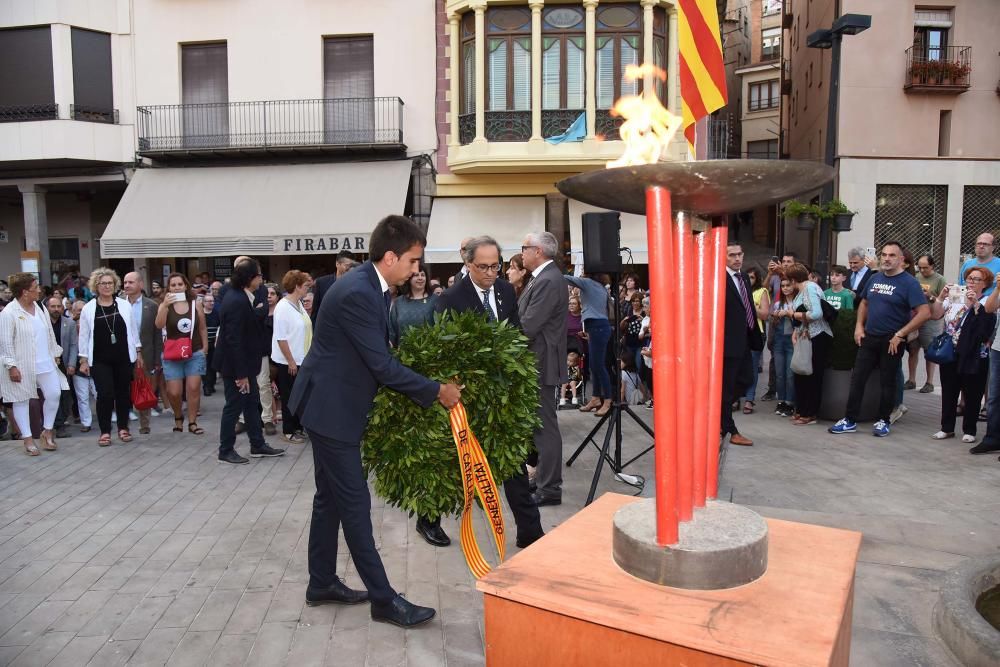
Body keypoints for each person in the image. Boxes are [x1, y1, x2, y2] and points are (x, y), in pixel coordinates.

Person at [288, 215, 461, 628]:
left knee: (328, 499)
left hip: (329, 403)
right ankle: (383, 600)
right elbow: (381, 365)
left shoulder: (371, 285)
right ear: (390, 257)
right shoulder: (359, 292)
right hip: (332, 412)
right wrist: (436, 390)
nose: (417, 269)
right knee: (354, 505)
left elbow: (373, 353)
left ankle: (321, 582)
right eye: (414, 261)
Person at [433, 235, 545, 549]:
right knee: (457, 463)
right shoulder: (450, 299)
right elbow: (444, 350)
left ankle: (529, 530)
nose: (491, 272)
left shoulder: (506, 290)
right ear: (468, 264)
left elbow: (517, 334)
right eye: (483, 266)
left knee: (513, 461)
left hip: (505, 394)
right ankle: (428, 519)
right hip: (469, 397)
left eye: (496, 265)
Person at [829, 241, 930, 438]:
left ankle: (883, 420)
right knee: (858, 379)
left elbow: (924, 313)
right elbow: (864, 302)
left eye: (892, 255)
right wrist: (859, 326)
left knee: (887, 382)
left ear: (902, 259)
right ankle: (849, 420)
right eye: (884, 254)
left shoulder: (909, 283)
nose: (886, 258)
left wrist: (901, 334)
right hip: (869, 337)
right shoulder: (875, 278)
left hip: (892, 340)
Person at [213, 258, 285, 464]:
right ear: (249, 278)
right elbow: (233, 340)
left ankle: (257, 444)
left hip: (245, 364)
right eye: (259, 275)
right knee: (233, 407)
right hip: (235, 367)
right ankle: (225, 449)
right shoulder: (236, 300)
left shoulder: (242, 296)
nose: (262, 279)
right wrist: (241, 374)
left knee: (252, 404)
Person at [519, 231, 569, 505]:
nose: (522, 252)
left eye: (525, 248)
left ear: (537, 251)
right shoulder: (545, 278)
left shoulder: (548, 280)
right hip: (537, 361)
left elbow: (528, 325)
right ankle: (543, 481)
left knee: (544, 428)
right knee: (540, 426)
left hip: (540, 363)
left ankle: (550, 488)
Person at [0, 274, 66, 455]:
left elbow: (49, 333)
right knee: (21, 401)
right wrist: (11, 366)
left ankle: (47, 431)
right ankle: (28, 439)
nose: (39, 290)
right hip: (21, 364)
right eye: (35, 287)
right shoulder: (9, 313)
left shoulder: (39, 307)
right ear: (24, 292)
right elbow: (5, 343)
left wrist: (54, 352)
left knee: (54, 393)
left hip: (45, 361)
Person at [928, 269, 996, 443]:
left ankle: (970, 429)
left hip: (974, 353)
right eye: (969, 278)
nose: (971, 282)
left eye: (977, 279)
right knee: (949, 390)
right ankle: (946, 428)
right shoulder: (955, 298)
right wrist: (942, 297)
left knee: (973, 392)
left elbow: (985, 327)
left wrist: (974, 305)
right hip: (952, 351)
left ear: (985, 283)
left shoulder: (988, 301)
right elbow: (935, 314)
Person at [77, 268, 141, 446]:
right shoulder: (89, 309)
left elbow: (133, 331)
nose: (106, 286)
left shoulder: (124, 305)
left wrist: (138, 351)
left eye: (110, 283)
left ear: (115, 285)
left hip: (123, 357)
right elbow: (83, 336)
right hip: (99, 359)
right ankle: (105, 431)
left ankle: (123, 427)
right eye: (103, 283)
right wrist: (83, 360)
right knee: (104, 394)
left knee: (123, 393)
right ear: (96, 286)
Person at [721, 242, 763, 446]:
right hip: (726, 342)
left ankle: (719, 415)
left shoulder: (744, 277)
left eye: (739, 254)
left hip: (745, 338)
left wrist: (754, 332)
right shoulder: (718, 278)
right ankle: (728, 428)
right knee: (727, 388)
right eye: (732, 255)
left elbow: (748, 308)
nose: (737, 259)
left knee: (746, 380)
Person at [156, 273, 208, 435]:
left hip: (194, 351)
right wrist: (164, 305)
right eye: (173, 285)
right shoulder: (165, 305)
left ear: (185, 286)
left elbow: (202, 328)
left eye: (180, 284)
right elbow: (159, 324)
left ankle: (192, 422)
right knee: (174, 392)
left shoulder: (195, 304)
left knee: (193, 388)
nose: (177, 287)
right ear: (169, 288)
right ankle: (178, 416)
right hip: (173, 354)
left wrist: (205, 348)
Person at [785, 263, 833, 426]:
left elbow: (816, 313)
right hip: (806, 336)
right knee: (801, 372)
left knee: (812, 375)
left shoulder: (810, 288)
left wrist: (794, 314)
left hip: (817, 336)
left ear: (792, 280)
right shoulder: (804, 289)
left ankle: (810, 413)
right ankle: (802, 410)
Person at [271, 270, 312, 445]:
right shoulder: (283, 307)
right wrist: (290, 361)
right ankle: (288, 431)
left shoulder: (298, 304)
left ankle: (297, 427)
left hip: (302, 358)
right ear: (296, 287)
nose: (307, 289)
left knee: (300, 396)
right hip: (289, 361)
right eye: (305, 286)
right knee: (289, 396)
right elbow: (281, 337)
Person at [564, 273, 613, 416]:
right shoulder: (600, 287)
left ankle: (608, 400)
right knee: (593, 365)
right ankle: (596, 398)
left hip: (597, 327)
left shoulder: (588, 283)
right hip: (597, 327)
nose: (580, 273)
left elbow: (567, 278)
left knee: (598, 366)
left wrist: (548, 269)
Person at [123, 272, 163, 434]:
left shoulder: (151, 306)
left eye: (131, 282)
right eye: (125, 282)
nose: (126, 285)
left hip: (145, 355)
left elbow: (157, 335)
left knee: (144, 389)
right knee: (123, 390)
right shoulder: (118, 304)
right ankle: (123, 424)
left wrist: (157, 359)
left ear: (140, 284)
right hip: (123, 355)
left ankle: (144, 424)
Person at [909, 255, 946, 393]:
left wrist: (930, 296)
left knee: (929, 351)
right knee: (913, 348)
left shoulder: (940, 279)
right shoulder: (915, 277)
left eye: (926, 267)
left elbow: (943, 301)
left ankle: (929, 381)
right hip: (916, 317)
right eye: (920, 267)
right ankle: (911, 379)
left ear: (932, 266)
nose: (922, 270)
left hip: (931, 319)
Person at [742, 266, 771, 413]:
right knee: (738, 367)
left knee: (752, 367)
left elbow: (765, 314)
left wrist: (751, 305)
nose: (749, 280)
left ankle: (749, 399)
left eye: (752, 277)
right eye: (747, 277)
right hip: (740, 332)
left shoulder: (761, 292)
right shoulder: (739, 290)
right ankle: (736, 398)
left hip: (755, 333)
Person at [47, 296, 77, 439]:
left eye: (59, 306)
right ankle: (57, 426)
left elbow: (73, 345)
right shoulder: (43, 324)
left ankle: (61, 420)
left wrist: (72, 363)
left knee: (65, 395)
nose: (56, 309)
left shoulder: (69, 323)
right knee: (53, 394)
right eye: (53, 306)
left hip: (64, 365)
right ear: (47, 308)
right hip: (48, 364)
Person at [388, 262, 436, 347]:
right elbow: (392, 331)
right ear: (409, 278)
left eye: (423, 275)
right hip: (403, 355)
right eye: (416, 275)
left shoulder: (435, 300)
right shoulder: (398, 302)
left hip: (429, 354)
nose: (420, 278)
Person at [770, 278, 797, 417]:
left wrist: (788, 313)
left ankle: (790, 402)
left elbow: (800, 320)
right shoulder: (777, 303)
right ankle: (781, 401)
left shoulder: (797, 302)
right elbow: (772, 322)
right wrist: (775, 316)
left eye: (788, 285)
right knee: (780, 374)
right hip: (779, 340)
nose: (785, 288)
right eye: (783, 286)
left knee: (790, 374)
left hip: (791, 340)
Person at [202, 293, 220, 396]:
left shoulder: (217, 314)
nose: (211, 303)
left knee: (212, 365)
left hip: (214, 344)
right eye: (209, 301)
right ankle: (206, 386)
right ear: (204, 303)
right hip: (203, 344)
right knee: (204, 366)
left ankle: (211, 384)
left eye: (213, 301)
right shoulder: (200, 314)